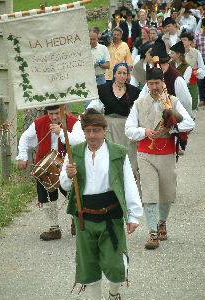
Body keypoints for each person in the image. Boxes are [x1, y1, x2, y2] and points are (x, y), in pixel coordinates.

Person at [59, 109, 143, 300]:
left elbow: (128, 184)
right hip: (84, 218)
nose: (92, 135)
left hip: (110, 217)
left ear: (104, 130)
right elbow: (63, 184)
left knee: (115, 264)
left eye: (96, 130)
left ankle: (114, 294)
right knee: (88, 265)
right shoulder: (74, 153)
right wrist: (68, 175)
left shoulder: (117, 153)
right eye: (87, 131)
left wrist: (134, 215)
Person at [125, 67, 195, 250]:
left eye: (157, 83)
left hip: (167, 154)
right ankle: (152, 232)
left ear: (163, 83)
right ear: (147, 84)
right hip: (145, 153)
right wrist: (144, 131)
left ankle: (162, 221)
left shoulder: (172, 102)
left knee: (167, 193)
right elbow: (129, 129)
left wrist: (171, 128)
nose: (154, 87)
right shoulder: (139, 103)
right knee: (149, 193)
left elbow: (189, 122)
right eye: (151, 84)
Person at [17, 105, 84, 240]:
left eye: (57, 113)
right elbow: (25, 138)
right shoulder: (39, 123)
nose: (54, 117)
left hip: (67, 165)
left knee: (73, 194)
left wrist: (61, 132)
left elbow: (79, 141)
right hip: (46, 166)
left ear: (63, 110)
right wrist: (22, 156)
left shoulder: (74, 123)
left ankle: (77, 221)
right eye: (51, 113)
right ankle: (54, 228)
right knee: (46, 197)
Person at [87, 63, 140, 172]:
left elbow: (138, 110)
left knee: (128, 155)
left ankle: (129, 177)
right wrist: (87, 114)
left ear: (127, 75)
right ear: (114, 74)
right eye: (119, 73)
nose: (122, 76)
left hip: (126, 126)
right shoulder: (103, 89)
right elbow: (95, 106)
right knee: (110, 154)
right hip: (109, 126)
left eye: (124, 73)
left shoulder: (134, 91)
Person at [139, 37, 193, 117]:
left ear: (157, 63)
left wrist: (183, 120)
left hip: (174, 121)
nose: (152, 66)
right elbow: (143, 96)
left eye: (153, 64)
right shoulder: (152, 75)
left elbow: (186, 102)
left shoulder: (176, 78)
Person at [180, 31, 205, 111]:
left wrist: (198, 72)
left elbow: (202, 68)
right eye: (181, 40)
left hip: (192, 83)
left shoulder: (196, 53)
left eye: (185, 40)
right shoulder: (176, 52)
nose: (182, 42)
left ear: (190, 41)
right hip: (179, 83)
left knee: (193, 106)